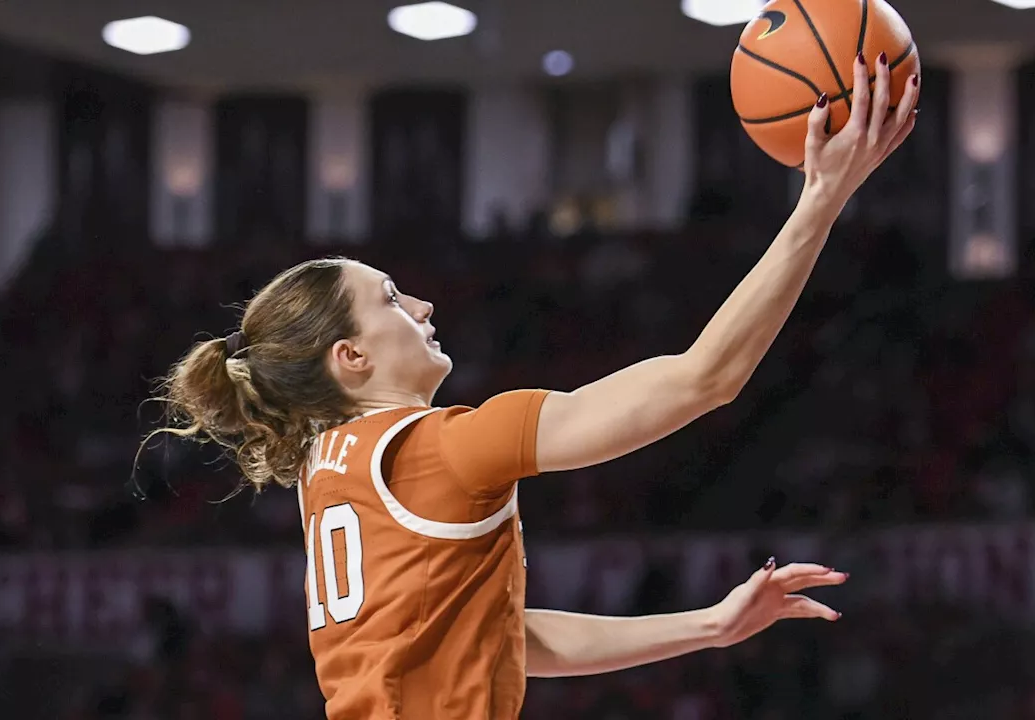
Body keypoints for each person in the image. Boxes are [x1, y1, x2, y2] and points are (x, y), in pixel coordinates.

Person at [150, 55, 919, 720]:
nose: (420, 305)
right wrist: (820, 201)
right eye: (390, 298)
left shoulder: (330, 469)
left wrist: (709, 627)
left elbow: (505, 636)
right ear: (349, 356)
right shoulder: (442, 450)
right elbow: (704, 379)